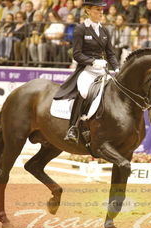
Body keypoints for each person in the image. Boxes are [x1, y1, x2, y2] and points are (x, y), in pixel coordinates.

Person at [55, 0, 119, 143]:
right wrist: (93, 61)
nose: (101, 12)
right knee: (84, 92)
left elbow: (110, 53)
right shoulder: (81, 29)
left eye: (102, 10)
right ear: (88, 10)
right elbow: (76, 54)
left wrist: (117, 68)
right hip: (87, 70)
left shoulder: (104, 31)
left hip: (102, 71)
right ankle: (73, 127)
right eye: (97, 9)